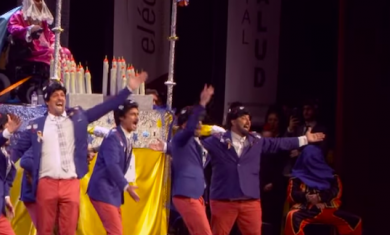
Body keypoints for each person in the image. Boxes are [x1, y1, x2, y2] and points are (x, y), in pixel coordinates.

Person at [11, 71, 145, 235]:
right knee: (47, 231)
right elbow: (17, 152)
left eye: (62, 95)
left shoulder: (78, 117)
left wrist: (128, 89)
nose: (60, 98)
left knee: (68, 231)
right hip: (45, 183)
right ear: (47, 101)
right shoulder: (37, 125)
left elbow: (106, 107)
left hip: (70, 183)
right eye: (55, 95)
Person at [203, 104, 326, 235]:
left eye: (249, 118)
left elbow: (279, 143)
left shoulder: (256, 140)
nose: (248, 121)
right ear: (233, 121)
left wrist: (305, 139)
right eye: (243, 118)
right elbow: (195, 150)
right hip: (223, 200)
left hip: (250, 201)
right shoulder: (216, 140)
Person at [148, 85, 215, 235]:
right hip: (187, 194)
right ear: (185, 124)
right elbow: (188, 132)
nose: (199, 124)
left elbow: (180, 151)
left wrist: (166, 147)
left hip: (196, 195)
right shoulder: (181, 137)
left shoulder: (194, 142)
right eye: (196, 121)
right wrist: (202, 103)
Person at [87, 97, 144, 235]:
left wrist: (94, 149)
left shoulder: (121, 136)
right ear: (121, 118)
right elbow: (112, 165)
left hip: (112, 192)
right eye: (132, 114)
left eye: (137, 114)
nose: (136, 117)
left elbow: (109, 148)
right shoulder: (114, 136)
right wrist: (126, 186)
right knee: (116, 232)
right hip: (103, 191)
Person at [284, 145, 361, 235]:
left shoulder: (332, 176)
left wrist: (320, 198)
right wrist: (307, 197)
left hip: (327, 209)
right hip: (305, 210)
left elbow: (336, 192)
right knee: (291, 216)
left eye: (315, 159)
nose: (311, 162)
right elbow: (292, 194)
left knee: (355, 220)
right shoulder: (297, 176)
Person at [7, 0, 73, 66]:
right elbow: (13, 28)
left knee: (66, 51)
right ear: (29, 1)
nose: (41, 3)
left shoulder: (41, 19)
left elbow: (49, 34)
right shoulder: (18, 16)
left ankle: (68, 78)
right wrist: (29, 30)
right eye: (37, 0)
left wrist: (54, 44)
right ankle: (56, 78)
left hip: (45, 48)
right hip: (31, 51)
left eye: (41, 0)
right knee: (52, 53)